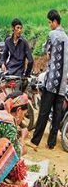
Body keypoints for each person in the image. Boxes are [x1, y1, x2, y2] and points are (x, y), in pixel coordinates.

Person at [31, 10, 68, 149]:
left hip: (52, 81)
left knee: (44, 112)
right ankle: (51, 143)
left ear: (54, 21)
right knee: (57, 114)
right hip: (62, 84)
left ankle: (35, 141)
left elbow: (46, 51)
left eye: (49, 22)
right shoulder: (66, 37)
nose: (49, 25)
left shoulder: (52, 34)